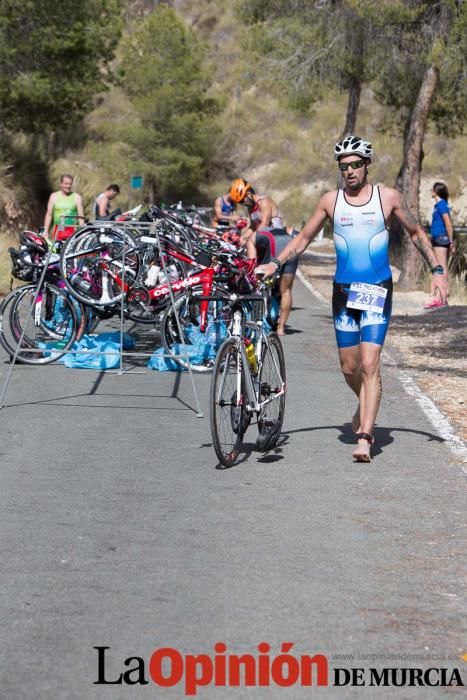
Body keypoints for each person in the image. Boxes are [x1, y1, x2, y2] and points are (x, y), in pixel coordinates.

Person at [255, 135, 448, 462]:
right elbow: (303, 238)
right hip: (343, 293)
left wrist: (438, 269)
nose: (350, 171)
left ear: (367, 165)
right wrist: (274, 263)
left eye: (356, 165)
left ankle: (364, 437)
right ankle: (368, 395)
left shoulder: (387, 198)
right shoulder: (330, 201)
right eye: (344, 167)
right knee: (349, 367)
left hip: (376, 290)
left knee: (370, 363)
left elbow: (416, 232)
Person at [229, 177, 299, 336]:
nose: (243, 204)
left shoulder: (265, 201)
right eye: (240, 203)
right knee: (269, 286)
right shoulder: (251, 208)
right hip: (266, 244)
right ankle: (267, 316)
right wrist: (240, 238)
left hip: (278, 241)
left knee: (284, 288)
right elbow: (252, 227)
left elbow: (263, 226)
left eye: (243, 201)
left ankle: (281, 327)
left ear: (248, 193)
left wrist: (246, 239)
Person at [424, 181, 455, 309]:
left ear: (436, 191)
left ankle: (441, 297)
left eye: (432, 189)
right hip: (437, 238)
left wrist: (451, 241)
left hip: (442, 238)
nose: (431, 190)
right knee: (438, 265)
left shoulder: (442, 205)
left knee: (441, 266)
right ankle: (439, 295)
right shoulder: (437, 205)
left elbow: (448, 224)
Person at [43, 174, 84, 241]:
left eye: (70, 184)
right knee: (57, 249)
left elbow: (81, 216)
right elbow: (49, 214)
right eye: (66, 184)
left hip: (72, 229)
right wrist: (45, 230)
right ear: (61, 184)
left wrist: (82, 232)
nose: (68, 186)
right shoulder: (53, 196)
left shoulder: (77, 197)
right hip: (58, 228)